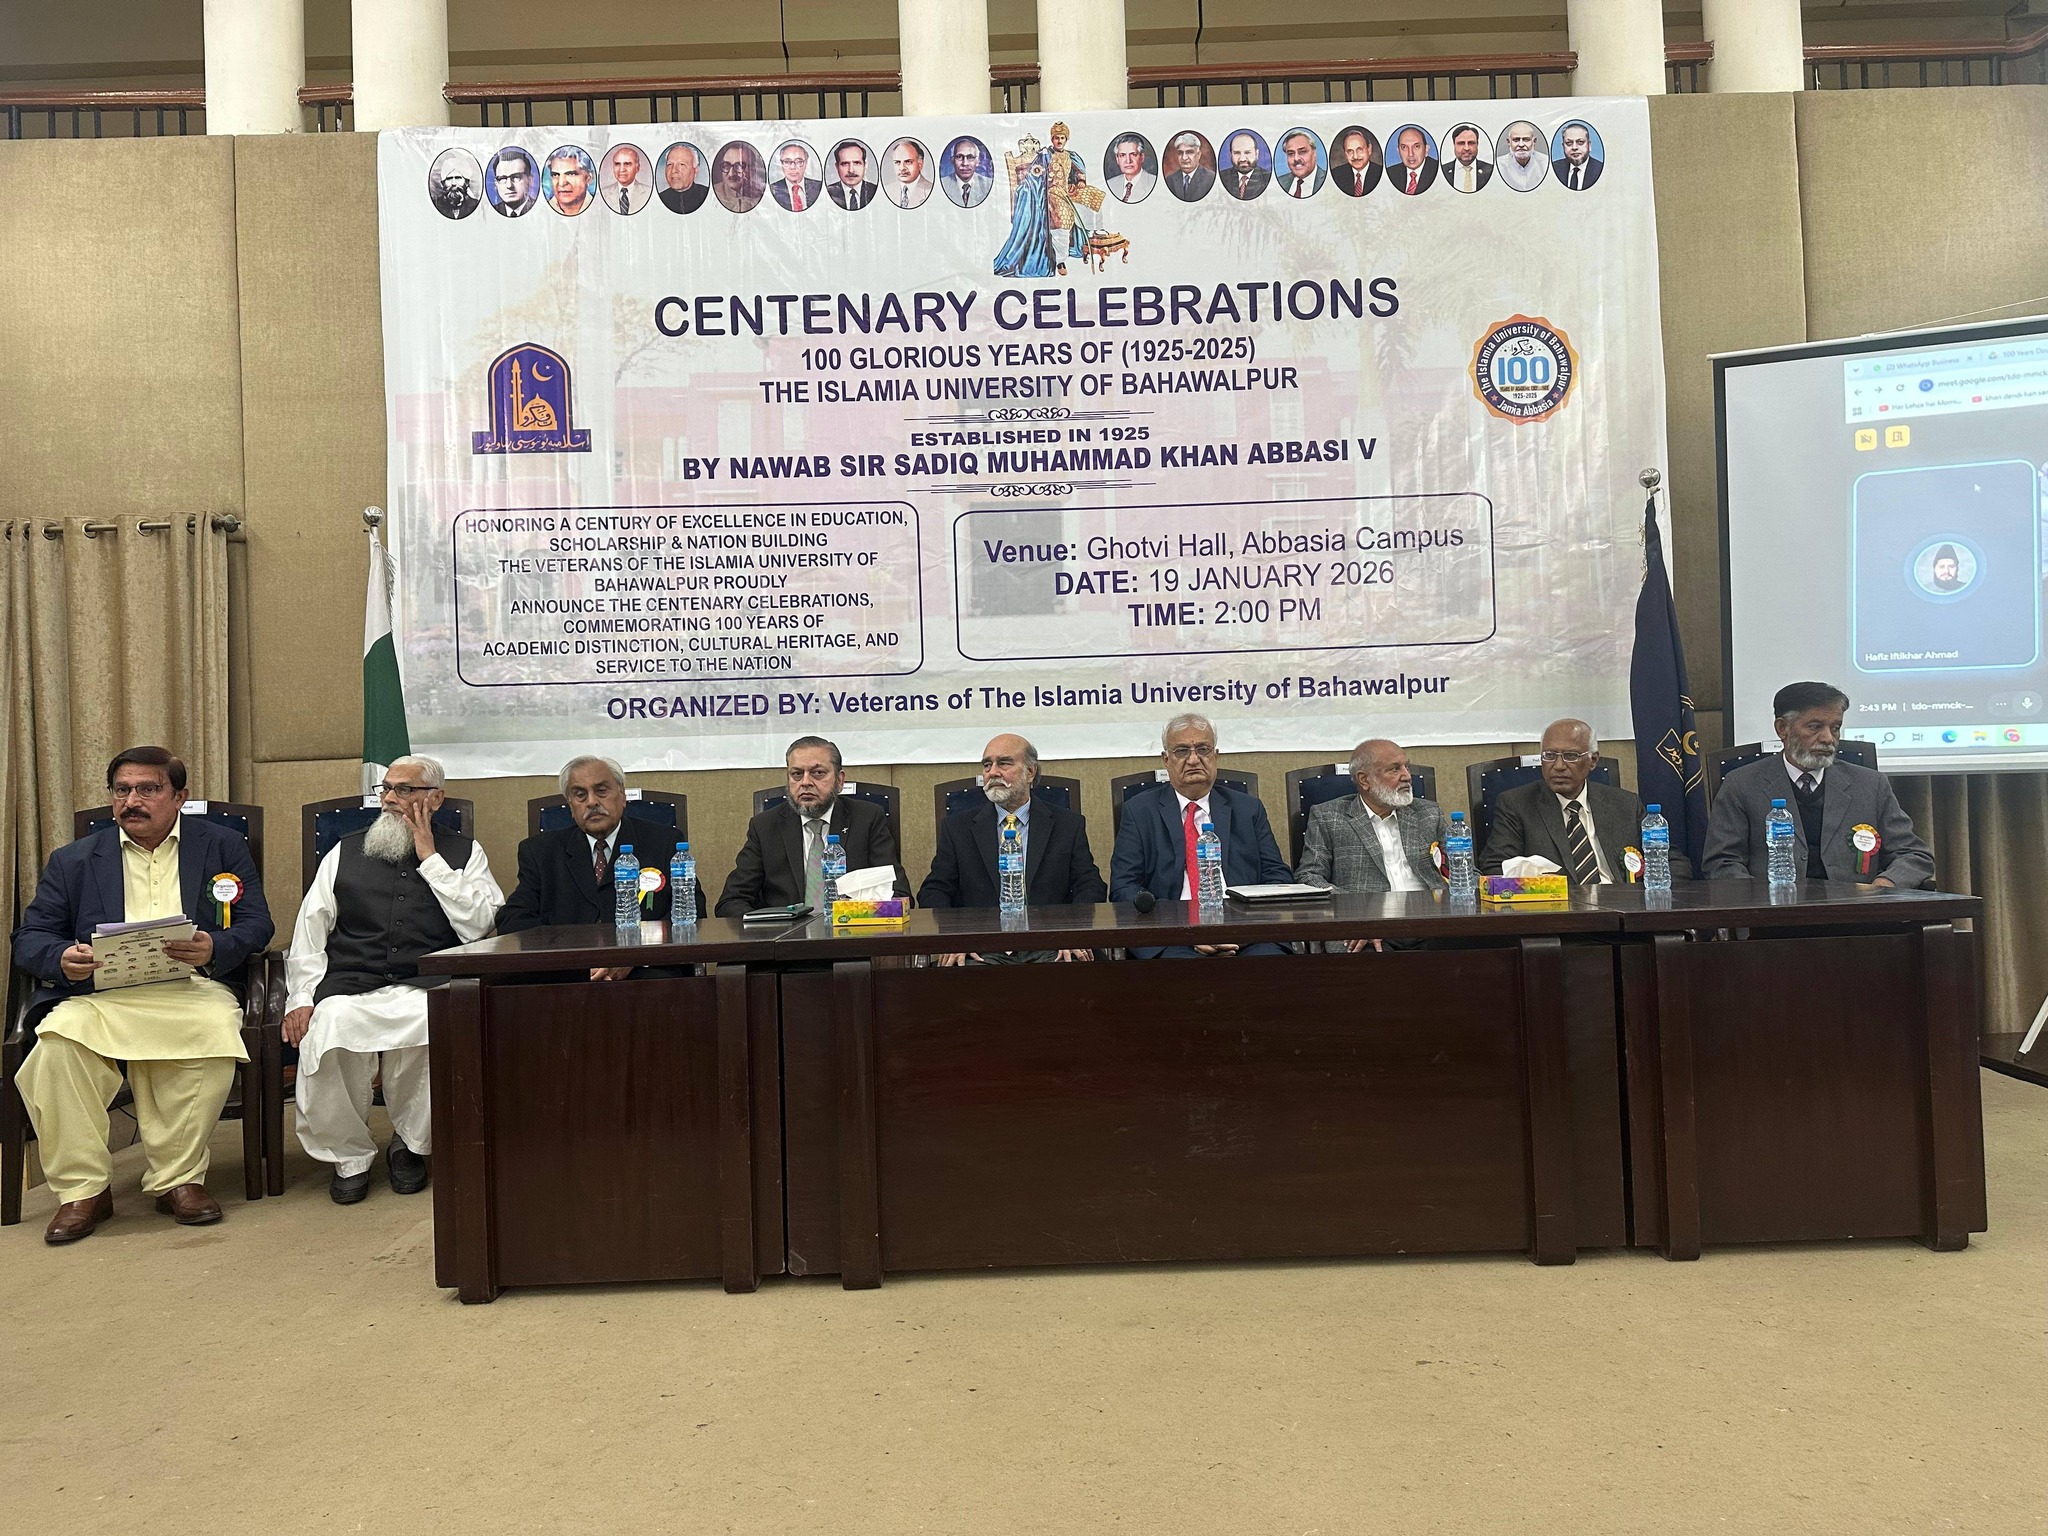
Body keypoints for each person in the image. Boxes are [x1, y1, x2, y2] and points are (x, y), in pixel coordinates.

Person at [10, 746, 274, 1244]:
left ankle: (178, 1180)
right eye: (122, 790)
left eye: (148, 789)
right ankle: (84, 1191)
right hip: (103, 994)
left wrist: (214, 946)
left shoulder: (221, 846)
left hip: (192, 988)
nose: (132, 801)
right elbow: (30, 936)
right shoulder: (73, 860)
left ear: (179, 796)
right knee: (56, 1050)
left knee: (214, 1034)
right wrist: (61, 956)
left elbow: (257, 923)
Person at [282, 756, 503, 1205]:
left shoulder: (465, 853)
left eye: (404, 790)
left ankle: (411, 1144)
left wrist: (431, 859)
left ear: (435, 799)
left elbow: (481, 927)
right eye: (385, 789)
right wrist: (301, 998)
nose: (389, 799)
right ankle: (350, 1156)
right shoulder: (344, 851)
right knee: (329, 1027)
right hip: (351, 982)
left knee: (434, 1022)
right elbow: (309, 931)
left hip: (426, 981)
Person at [1703, 681, 1934, 888]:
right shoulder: (1742, 784)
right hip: (1774, 913)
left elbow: (1914, 855)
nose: (1828, 738)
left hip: (1856, 911)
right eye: (1815, 727)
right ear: (1782, 728)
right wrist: (1761, 903)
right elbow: (1722, 863)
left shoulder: (1871, 785)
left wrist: (1885, 884)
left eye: (1835, 728)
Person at [497, 755, 703, 973]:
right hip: (567, 974)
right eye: (580, 795)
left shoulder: (664, 842)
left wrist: (633, 955)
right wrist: (575, 959)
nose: (592, 802)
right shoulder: (539, 852)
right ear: (570, 806)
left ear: (622, 796)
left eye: (601, 791)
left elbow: (693, 911)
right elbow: (513, 920)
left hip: (644, 971)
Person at [1109, 714, 1292, 958]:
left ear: (1215, 756)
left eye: (1203, 749)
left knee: (1270, 964)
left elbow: (1277, 878)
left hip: (1246, 933)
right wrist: (1186, 931)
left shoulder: (1248, 809)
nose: (1194, 759)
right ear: (1166, 759)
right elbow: (1124, 887)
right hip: (1170, 936)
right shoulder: (1139, 811)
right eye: (1182, 751)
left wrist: (1239, 927)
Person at [917, 734, 1107, 964]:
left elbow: (1090, 886)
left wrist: (1073, 933)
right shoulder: (957, 828)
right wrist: (955, 938)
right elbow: (934, 891)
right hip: (980, 948)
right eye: (987, 765)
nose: (993, 772)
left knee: (1074, 970)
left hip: (1051, 944)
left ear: (1030, 772)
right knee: (959, 975)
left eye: (1004, 763)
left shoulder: (1068, 825)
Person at [716, 736, 909, 916]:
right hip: (785, 938)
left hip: (851, 934)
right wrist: (770, 930)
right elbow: (731, 902)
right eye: (797, 774)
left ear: (839, 780)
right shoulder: (765, 826)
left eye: (818, 773)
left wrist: (852, 916)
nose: (805, 782)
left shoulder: (867, 819)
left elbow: (898, 894)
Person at [1479, 719, 1671, 883]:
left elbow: (1670, 860)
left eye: (1570, 756)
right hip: (1557, 907)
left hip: (1623, 905)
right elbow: (1495, 867)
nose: (1558, 766)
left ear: (1593, 760)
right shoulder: (1516, 805)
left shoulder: (1626, 804)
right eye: (1549, 756)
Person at [1296, 739, 1449, 897]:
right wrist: (1350, 903)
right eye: (1395, 769)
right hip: (1364, 910)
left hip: (1431, 907)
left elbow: (1459, 867)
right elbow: (1309, 876)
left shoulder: (1429, 813)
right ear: (1364, 780)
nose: (1407, 776)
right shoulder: (1328, 818)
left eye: (1407, 767)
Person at [712, 141, 765, 213]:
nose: (731, 174)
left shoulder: (761, 196)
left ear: (752, 169)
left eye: (739, 166)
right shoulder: (713, 194)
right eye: (726, 165)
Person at [1495, 120, 1547, 192]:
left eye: (1526, 140)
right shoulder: (1498, 165)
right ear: (1509, 142)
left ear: (1534, 141)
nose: (1521, 144)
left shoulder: (1546, 164)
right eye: (1516, 140)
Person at [487, 147, 539, 217]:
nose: (509, 185)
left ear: (530, 180)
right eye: (502, 179)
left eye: (516, 177)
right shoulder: (489, 213)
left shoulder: (540, 210)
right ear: (496, 184)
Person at [771, 141, 822, 213]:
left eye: (799, 162)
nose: (793, 167)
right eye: (787, 162)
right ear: (781, 164)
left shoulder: (818, 187)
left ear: (806, 163)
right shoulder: (773, 189)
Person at [941, 136, 993, 207]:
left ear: (977, 161)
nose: (965, 163)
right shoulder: (943, 184)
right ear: (952, 160)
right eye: (959, 157)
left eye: (970, 157)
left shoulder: (988, 185)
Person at [657, 143, 709, 214]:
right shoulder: (661, 197)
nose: (673, 170)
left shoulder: (706, 195)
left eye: (682, 164)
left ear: (695, 170)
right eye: (669, 164)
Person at [1164, 131, 1215, 202]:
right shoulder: (1170, 180)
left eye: (1189, 152)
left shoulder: (1211, 179)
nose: (1184, 158)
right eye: (1180, 153)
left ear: (1198, 154)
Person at [1330, 127, 1380, 197]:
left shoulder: (1380, 173)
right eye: (1350, 151)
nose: (1355, 156)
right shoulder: (1335, 175)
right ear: (1345, 154)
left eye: (1360, 150)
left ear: (1369, 149)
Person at [1441, 124, 1492, 193]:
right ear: (1454, 145)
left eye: (1471, 143)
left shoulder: (1490, 171)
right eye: (1461, 143)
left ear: (1477, 144)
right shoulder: (1442, 171)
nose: (1466, 148)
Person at [545, 146, 595, 215]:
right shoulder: (542, 211)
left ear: (589, 178)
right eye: (555, 175)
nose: (561, 183)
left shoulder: (599, 209)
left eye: (571, 174)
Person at [885, 137, 932, 209]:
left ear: (920, 164)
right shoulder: (887, 190)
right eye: (897, 162)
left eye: (908, 162)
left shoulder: (930, 191)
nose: (902, 168)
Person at [1553, 122, 1602, 190]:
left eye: (1580, 142)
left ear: (1589, 145)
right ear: (1563, 146)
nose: (1574, 147)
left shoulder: (1600, 170)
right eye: (1569, 143)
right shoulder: (1554, 168)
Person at [1221, 133, 1270, 201]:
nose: (1242, 159)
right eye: (1237, 153)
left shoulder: (1267, 179)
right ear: (1230, 155)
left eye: (1247, 153)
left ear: (1256, 154)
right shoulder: (1222, 177)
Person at [830, 141, 877, 210]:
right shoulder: (827, 194)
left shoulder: (875, 191)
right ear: (837, 167)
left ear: (865, 165)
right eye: (845, 164)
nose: (851, 170)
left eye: (857, 163)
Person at [1390, 126, 1438, 195]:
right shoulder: (1391, 173)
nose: (1410, 154)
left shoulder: (1437, 171)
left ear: (1426, 149)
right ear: (1398, 151)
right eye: (1404, 147)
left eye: (1416, 146)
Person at [1108, 135, 1155, 203]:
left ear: (1142, 157)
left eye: (1133, 154)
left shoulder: (1153, 183)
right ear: (1117, 159)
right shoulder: (1110, 184)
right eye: (1122, 155)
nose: (1128, 161)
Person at [603, 144, 648, 214]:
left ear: (637, 168)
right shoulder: (603, 193)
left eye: (627, 164)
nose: (621, 170)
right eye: (617, 164)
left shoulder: (647, 193)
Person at [1277, 130, 1322, 198]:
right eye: (1291, 154)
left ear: (1314, 153)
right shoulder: (1279, 182)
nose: (1296, 158)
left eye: (1302, 152)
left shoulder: (1328, 181)